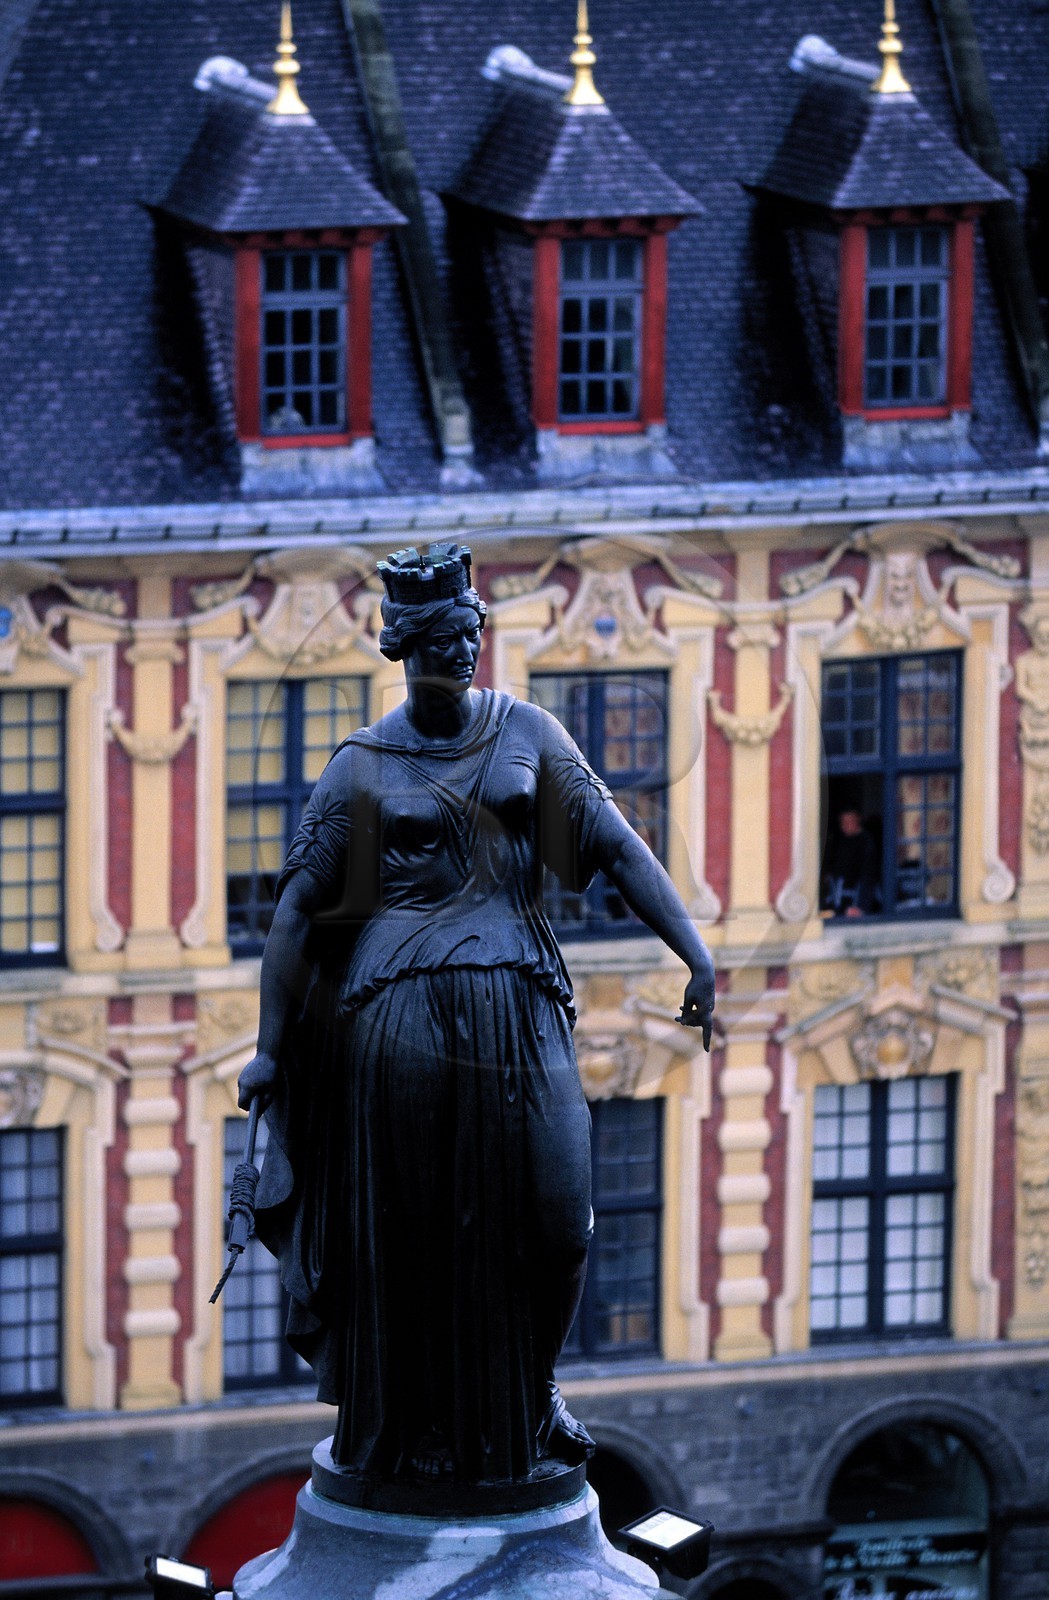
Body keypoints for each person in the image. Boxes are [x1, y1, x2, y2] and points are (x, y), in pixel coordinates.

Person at [237, 542, 716, 1493]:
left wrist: (695, 953)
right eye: (439, 640)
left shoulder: (527, 734)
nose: (459, 655)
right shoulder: (362, 768)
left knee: (558, 1218)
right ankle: (410, 1425)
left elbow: (617, 849)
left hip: (519, 1004)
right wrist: (267, 1049)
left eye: (468, 636)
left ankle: (531, 1395)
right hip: (396, 1017)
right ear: (404, 648)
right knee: (411, 1238)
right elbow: (297, 909)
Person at [822, 805, 879, 918]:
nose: (845, 826)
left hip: (855, 903)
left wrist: (861, 906)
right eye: (843, 822)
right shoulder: (841, 841)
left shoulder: (866, 843)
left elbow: (868, 877)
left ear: (858, 820)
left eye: (849, 821)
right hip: (837, 901)